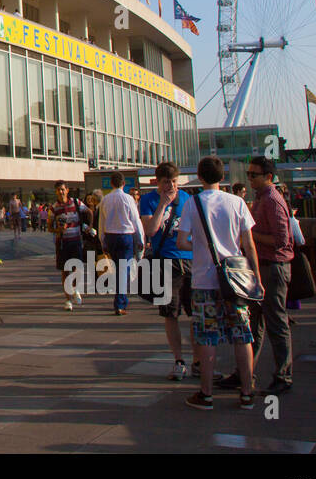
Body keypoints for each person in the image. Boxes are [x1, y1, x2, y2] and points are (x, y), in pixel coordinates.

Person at [175, 156, 264, 411]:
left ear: (200, 177)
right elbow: (249, 244)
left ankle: (206, 394)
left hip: (204, 280)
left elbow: (181, 242)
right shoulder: (237, 202)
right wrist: (256, 278)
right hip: (235, 281)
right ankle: (247, 392)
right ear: (222, 177)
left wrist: (201, 248)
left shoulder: (192, 204)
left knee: (206, 336)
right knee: (242, 335)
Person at [219, 155, 294, 397]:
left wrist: (250, 237)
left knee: (276, 322)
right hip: (261, 267)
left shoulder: (272, 201)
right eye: (249, 174)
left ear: (268, 177)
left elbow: (282, 241)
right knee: (255, 323)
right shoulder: (261, 198)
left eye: (254, 175)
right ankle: (244, 372)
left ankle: (283, 375)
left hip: (273, 267)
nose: (249, 178)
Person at [140, 161, 196, 380]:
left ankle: (199, 360)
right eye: (166, 182)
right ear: (158, 182)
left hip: (189, 260)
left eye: (174, 181)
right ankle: (179, 359)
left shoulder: (188, 199)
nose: (171, 186)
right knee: (171, 313)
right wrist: (162, 206)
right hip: (165, 262)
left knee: (195, 313)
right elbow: (151, 231)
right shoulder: (148, 200)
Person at [98, 172, 144, 316]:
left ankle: (120, 299)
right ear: (124, 184)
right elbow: (136, 221)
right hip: (125, 236)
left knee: (118, 268)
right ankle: (120, 303)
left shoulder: (105, 200)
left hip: (111, 236)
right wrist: (140, 240)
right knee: (124, 270)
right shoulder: (128, 199)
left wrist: (103, 240)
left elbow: (101, 223)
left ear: (111, 183)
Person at [51, 181, 93, 310]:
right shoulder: (54, 208)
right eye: (58, 190)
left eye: (63, 189)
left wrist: (89, 227)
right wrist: (58, 230)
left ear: (67, 190)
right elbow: (49, 227)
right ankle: (68, 299)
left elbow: (89, 212)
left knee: (77, 269)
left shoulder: (76, 203)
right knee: (65, 271)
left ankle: (75, 289)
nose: (61, 192)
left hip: (75, 241)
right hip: (63, 242)